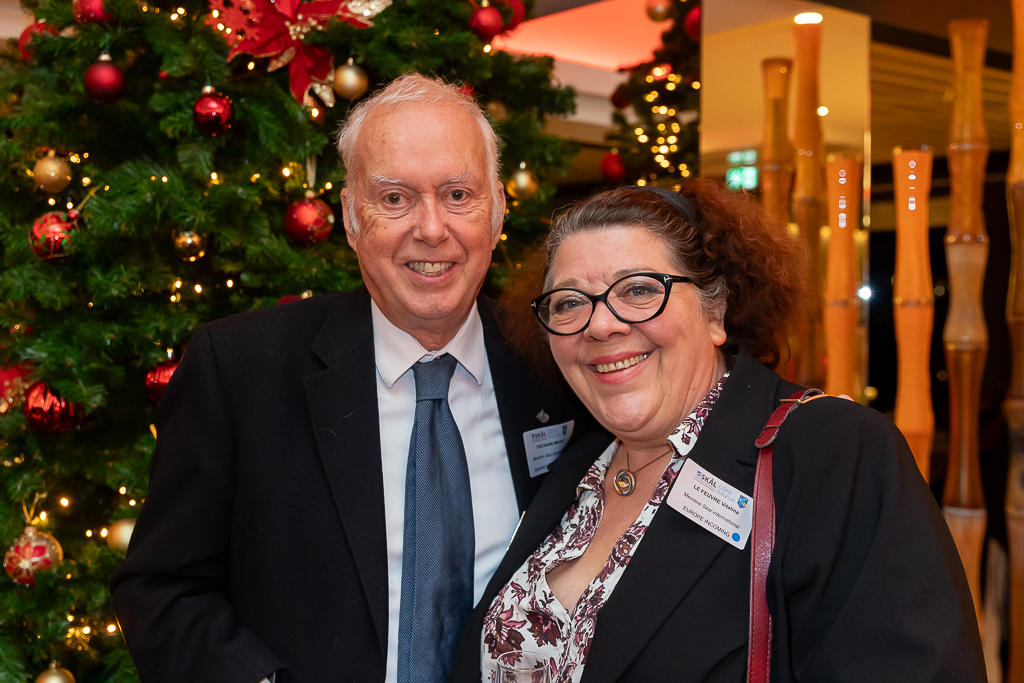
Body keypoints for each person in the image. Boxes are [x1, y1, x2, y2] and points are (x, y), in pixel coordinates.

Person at [110, 74, 587, 683]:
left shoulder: (556, 363)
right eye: (394, 199)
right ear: (350, 217)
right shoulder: (239, 369)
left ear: (496, 211)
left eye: (457, 194)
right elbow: (161, 589)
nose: (432, 228)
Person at [449, 181, 986, 682]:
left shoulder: (833, 455)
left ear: (716, 310)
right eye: (569, 302)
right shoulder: (575, 461)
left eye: (639, 290)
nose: (601, 324)